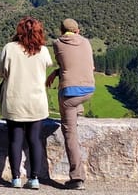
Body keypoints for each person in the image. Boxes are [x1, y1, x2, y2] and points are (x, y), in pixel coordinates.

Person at [0, 16, 53, 189]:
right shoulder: (43, 50)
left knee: (15, 140)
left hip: (14, 101)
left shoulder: (9, 48)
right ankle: (34, 178)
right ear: (38, 32)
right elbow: (48, 65)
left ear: (19, 31)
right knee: (35, 140)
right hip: (36, 102)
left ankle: (15, 178)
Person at [45, 18, 95, 190]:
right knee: (75, 105)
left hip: (69, 92)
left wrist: (56, 72)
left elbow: (65, 63)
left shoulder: (57, 43)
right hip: (89, 89)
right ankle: (77, 112)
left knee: (69, 133)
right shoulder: (87, 43)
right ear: (78, 31)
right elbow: (83, 65)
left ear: (61, 31)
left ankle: (77, 178)